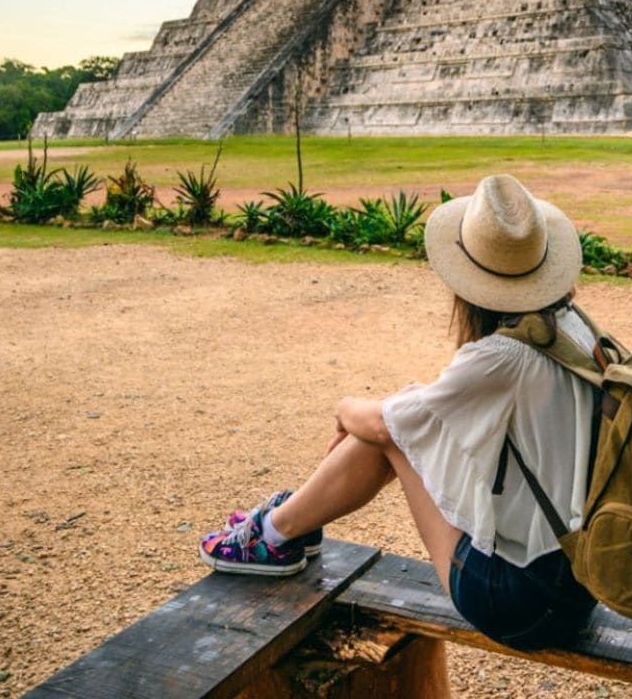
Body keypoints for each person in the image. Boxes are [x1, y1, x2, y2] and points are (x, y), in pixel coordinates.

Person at [198, 174, 601, 651]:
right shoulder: (575, 330)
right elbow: (428, 413)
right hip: (579, 583)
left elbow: (388, 425)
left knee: (387, 432)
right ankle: (286, 525)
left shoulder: (501, 358)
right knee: (399, 418)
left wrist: (344, 408)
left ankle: (273, 534)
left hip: (520, 603)